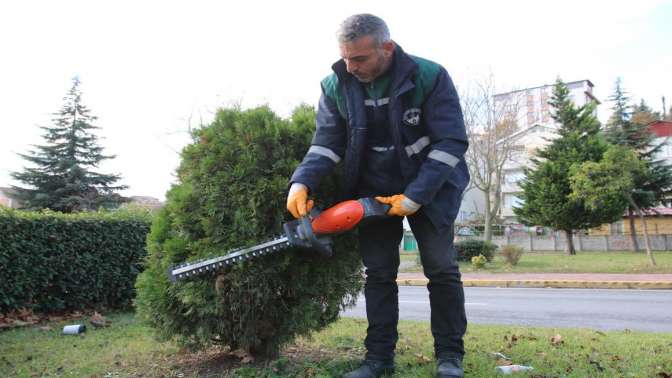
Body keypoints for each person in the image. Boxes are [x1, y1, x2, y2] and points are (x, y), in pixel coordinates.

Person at [286, 14, 469, 378]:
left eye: (360, 59)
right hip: (372, 191)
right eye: (346, 58)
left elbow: (451, 143)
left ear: (386, 48)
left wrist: (415, 196)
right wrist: (301, 182)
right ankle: (378, 359)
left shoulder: (429, 76)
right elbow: (327, 143)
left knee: (441, 269)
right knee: (379, 274)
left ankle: (449, 356)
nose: (351, 67)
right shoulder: (336, 85)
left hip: (431, 187)